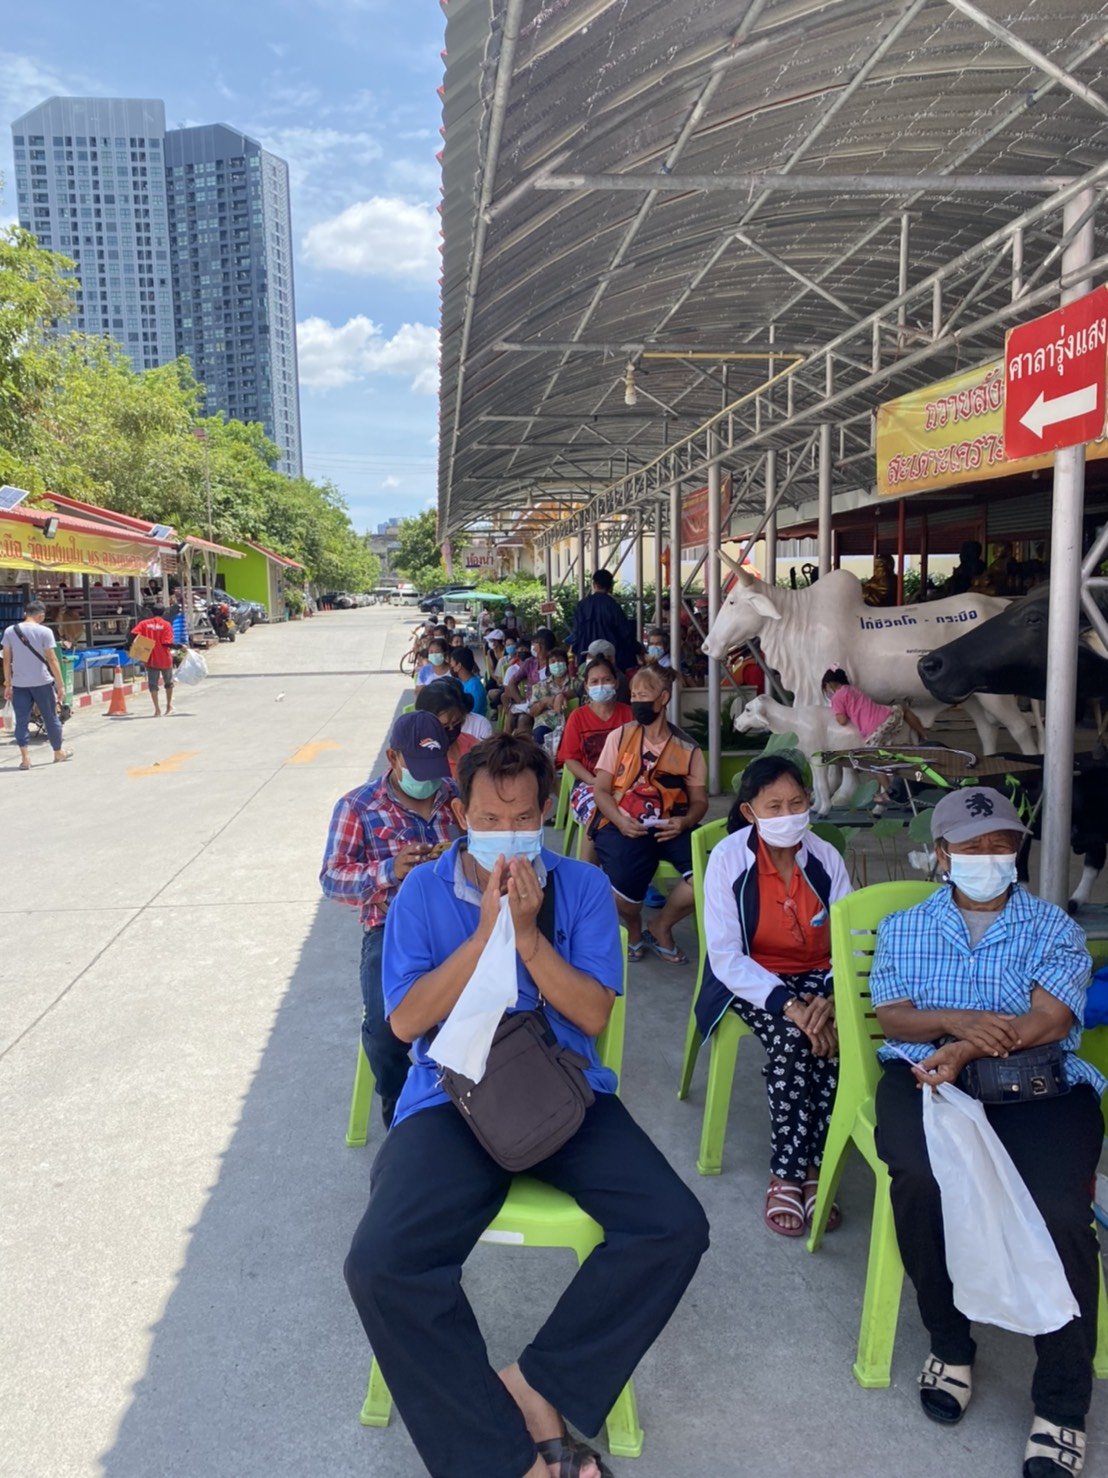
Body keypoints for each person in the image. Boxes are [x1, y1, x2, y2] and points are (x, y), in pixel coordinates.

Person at [343, 734, 710, 1478]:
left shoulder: (582, 886)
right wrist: (485, 933)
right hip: (449, 1094)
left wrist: (528, 938)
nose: (505, 833)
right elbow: (406, 1023)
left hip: (561, 1086)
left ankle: (538, 1385)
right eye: (488, 817)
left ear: (547, 813)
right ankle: (507, 1460)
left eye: (521, 818)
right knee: (381, 1265)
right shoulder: (422, 893)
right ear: (462, 816)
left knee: (673, 1225)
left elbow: (593, 1015)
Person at [870, 788, 1105, 1478]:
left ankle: (1062, 1402)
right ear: (942, 855)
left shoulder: (1052, 926)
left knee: (1059, 1212)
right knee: (920, 1183)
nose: (990, 857)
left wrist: (968, 1043)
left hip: (1036, 1083)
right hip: (925, 1077)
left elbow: (1050, 1020)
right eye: (973, 847)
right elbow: (894, 1016)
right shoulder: (906, 926)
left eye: (1002, 845)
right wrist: (954, 1023)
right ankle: (950, 1342)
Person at [699, 756, 851, 1236]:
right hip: (754, 978)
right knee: (793, 1039)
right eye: (775, 806)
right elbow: (726, 955)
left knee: (837, 1039)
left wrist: (831, 997)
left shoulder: (825, 858)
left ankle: (817, 1168)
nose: (789, 815)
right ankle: (788, 1172)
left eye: (797, 803)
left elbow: (847, 937)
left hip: (820, 976)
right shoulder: (729, 859)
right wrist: (789, 1003)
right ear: (750, 812)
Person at [320, 711, 459, 1128]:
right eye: (418, 768)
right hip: (389, 929)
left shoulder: (456, 797)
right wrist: (389, 872)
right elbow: (332, 879)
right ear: (393, 758)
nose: (429, 781)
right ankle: (400, 1108)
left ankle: (469, 1101)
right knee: (387, 1029)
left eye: (434, 769)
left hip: (454, 922)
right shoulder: (357, 807)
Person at [591, 665, 708, 963]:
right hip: (624, 822)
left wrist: (685, 821)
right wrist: (620, 821)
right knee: (622, 888)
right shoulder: (620, 737)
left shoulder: (688, 748)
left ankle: (660, 926)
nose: (636, 702)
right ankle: (633, 928)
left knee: (708, 875)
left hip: (671, 825)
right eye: (633, 695)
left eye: (643, 695)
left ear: (663, 698)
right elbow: (601, 791)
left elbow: (699, 802)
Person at [556, 655, 633, 864]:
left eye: (606, 680)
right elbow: (570, 759)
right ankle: (587, 874)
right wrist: (592, 780)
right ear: (586, 686)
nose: (601, 685)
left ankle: (627, 871)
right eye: (595, 681)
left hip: (626, 784)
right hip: (588, 784)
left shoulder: (629, 714)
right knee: (598, 813)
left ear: (616, 682)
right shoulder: (578, 717)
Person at [820, 667, 928, 816]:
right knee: (903, 710)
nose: (827, 691)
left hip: (873, 729)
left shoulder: (837, 697)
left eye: (826, 688)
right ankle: (923, 735)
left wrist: (836, 712)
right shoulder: (852, 689)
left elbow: (842, 720)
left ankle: (891, 792)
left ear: (829, 684)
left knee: (873, 763)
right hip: (888, 716)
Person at [2, 599, 70, 770]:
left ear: (26, 614)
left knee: (21, 721)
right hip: (42, 683)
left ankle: (25, 759)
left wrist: (8, 683)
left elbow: (6, 660)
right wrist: (60, 684)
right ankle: (58, 752)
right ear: (41, 615)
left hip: (20, 684)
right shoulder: (45, 632)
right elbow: (52, 659)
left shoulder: (10, 631)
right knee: (51, 718)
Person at [566, 569, 637, 672]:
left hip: (587, 655)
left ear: (594, 584)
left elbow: (576, 633)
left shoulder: (582, 605)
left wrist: (575, 655)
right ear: (610, 586)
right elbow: (625, 633)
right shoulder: (613, 605)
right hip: (610, 657)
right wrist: (637, 650)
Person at [414, 677, 480, 774]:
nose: (451, 728)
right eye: (444, 725)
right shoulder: (417, 760)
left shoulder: (473, 745)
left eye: (456, 721)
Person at [528, 645, 582, 750]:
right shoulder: (540, 686)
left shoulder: (576, 683)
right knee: (539, 736)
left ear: (566, 663)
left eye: (560, 661)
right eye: (553, 661)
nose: (556, 664)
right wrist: (543, 703)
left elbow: (580, 693)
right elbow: (532, 712)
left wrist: (562, 695)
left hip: (571, 722)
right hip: (546, 724)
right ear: (548, 666)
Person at [130, 604, 179, 717]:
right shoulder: (166, 624)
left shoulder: (144, 623)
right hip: (165, 659)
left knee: (153, 685)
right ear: (164, 613)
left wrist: (131, 646)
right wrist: (179, 646)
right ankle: (169, 706)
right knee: (169, 683)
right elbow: (167, 643)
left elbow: (133, 634)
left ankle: (157, 709)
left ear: (151, 612)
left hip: (150, 658)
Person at [449, 644, 488, 717]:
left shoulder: (474, 687)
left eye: (452, 661)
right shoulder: (460, 681)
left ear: (459, 665)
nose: (450, 665)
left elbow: (470, 714)